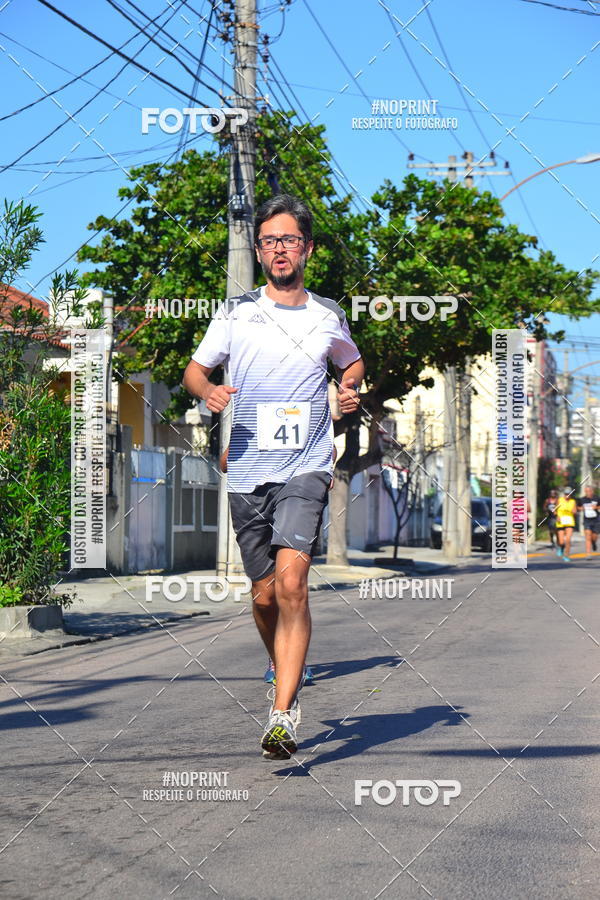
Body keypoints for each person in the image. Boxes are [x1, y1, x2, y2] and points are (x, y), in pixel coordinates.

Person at [183, 194, 364, 759]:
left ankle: (283, 714)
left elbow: (351, 360)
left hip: (307, 465)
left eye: (288, 240)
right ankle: (278, 657)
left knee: (292, 585)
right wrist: (208, 391)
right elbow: (195, 370)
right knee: (263, 598)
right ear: (259, 251)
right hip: (247, 471)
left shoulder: (326, 316)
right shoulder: (236, 314)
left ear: (306, 248)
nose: (279, 250)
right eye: (269, 241)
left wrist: (347, 388)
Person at [554, 486, 577, 562]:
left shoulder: (573, 501)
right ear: (564, 494)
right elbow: (554, 510)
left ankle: (566, 555)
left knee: (568, 540)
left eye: (569, 494)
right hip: (560, 522)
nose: (567, 495)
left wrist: (574, 511)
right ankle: (561, 547)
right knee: (561, 541)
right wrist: (557, 515)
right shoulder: (560, 500)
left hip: (570, 521)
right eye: (566, 494)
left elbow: (575, 511)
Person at [577, 484, 600, 558]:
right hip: (587, 520)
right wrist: (581, 508)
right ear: (585, 492)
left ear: (592, 491)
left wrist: (596, 507)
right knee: (588, 536)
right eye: (586, 491)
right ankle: (588, 554)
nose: (588, 493)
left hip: (596, 520)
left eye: (589, 491)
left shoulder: (597, 498)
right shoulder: (582, 499)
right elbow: (578, 507)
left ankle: (594, 543)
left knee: (594, 537)